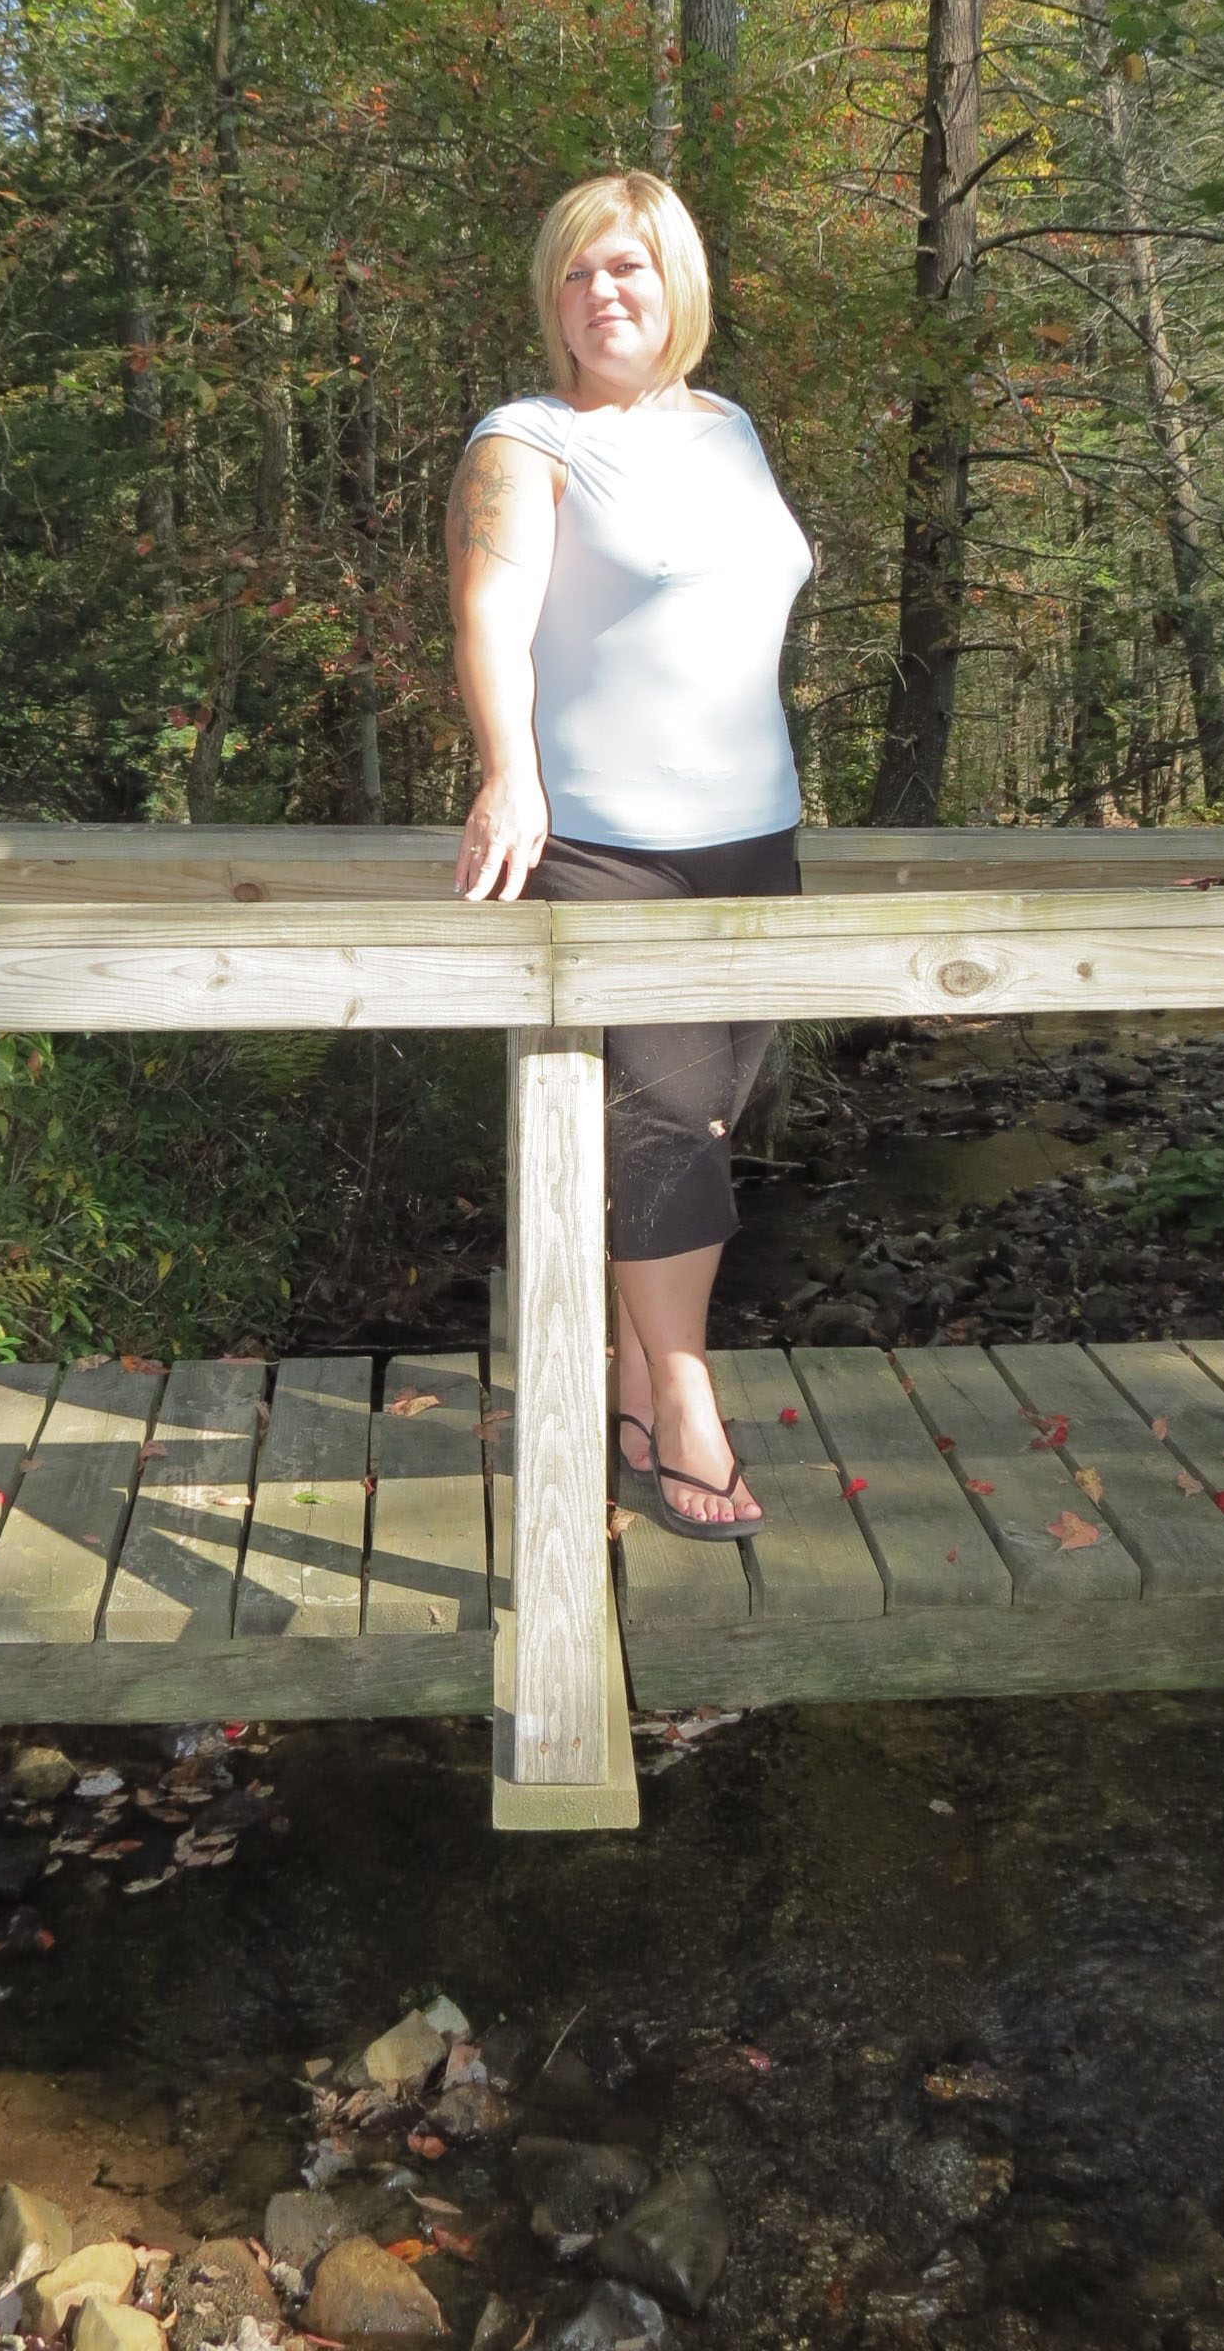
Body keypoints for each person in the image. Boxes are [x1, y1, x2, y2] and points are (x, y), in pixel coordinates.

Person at [445, 171, 812, 1541]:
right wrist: (510, 773)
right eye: (578, 272)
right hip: (605, 845)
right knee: (659, 1126)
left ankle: (628, 1382)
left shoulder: (733, 430)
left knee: (697, 1127)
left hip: (756, 842)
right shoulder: (525, 440)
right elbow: (491, 618)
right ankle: (688, 1399)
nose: (603, 292)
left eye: (629, 267)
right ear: (553, 300)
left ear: (678, 286)